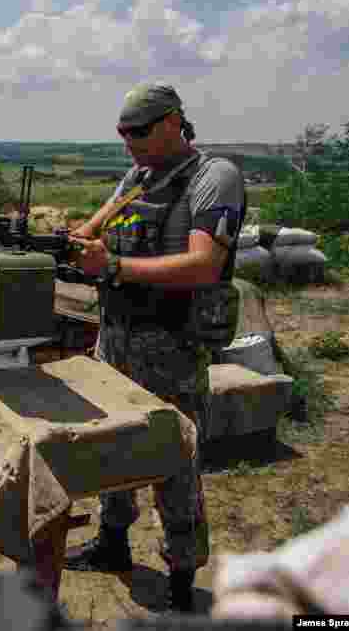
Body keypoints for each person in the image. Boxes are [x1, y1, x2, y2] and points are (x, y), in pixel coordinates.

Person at [64, 82, 246, 613]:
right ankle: (113, 541)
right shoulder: (137, 178)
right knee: (113, 443)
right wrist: (65, 241)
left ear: (172, 122)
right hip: (117, 335)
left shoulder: (214, 177)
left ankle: (182, 574)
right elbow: (90, 231)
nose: (129, 143)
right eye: (122, 134)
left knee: (175, 459)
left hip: (172, 343)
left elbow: (204, 264)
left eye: (138, 132)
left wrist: (113, 266)